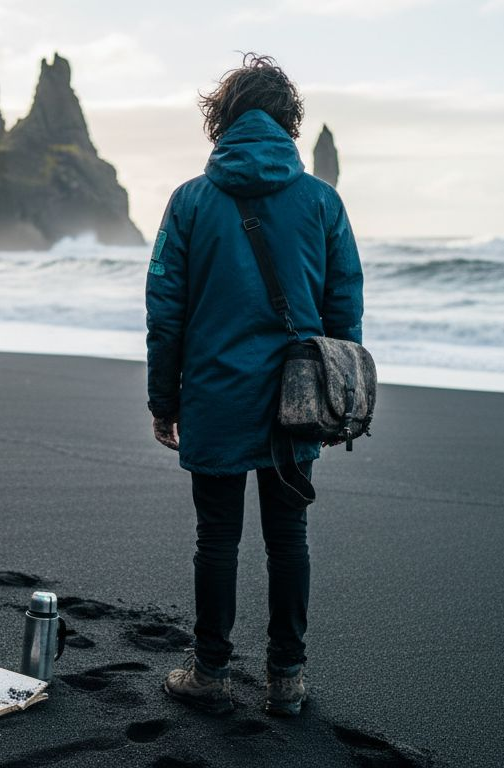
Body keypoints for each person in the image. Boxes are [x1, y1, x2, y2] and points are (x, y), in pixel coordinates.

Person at [145, 53, 364, 717]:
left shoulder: (190, 200)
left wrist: (164, 399)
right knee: (288, 539)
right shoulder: (322, 201)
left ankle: (210, 672)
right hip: (296, 400)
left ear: (224, 119)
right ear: (288, 121)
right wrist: (336, 393)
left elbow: (166, 310)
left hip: (213, 394)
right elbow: (343, 308)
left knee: (216, 538)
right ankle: (287, 679)